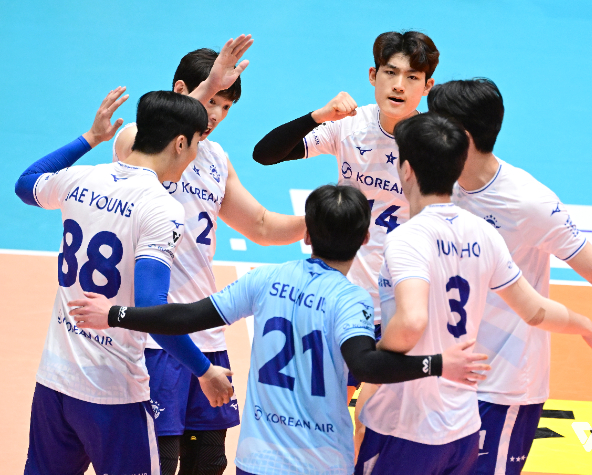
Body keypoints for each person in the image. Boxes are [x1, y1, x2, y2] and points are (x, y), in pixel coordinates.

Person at [69, 184, 489, 475]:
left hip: (259, 462)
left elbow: (185, 317)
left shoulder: (265, 278)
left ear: (307, 236)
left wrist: (115, 314)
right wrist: (438, 364)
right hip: (322, 464)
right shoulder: (352, 301)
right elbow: (366, 364)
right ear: (365, 238)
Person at [427, 78, 592, 474]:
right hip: (444, 372)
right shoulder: (437, 182)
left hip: (501, 385)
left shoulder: (528, 203)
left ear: (462, 135)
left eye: (434, 122)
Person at [355, 113, 592, 474]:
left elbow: (411, 322)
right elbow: (534, 311)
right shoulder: (484, 233)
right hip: (463, 430)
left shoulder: (406, 238)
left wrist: (372, 369)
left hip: (405, 426)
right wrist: (586, 325)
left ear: (406, 170)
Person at [112, 37, 307, 474]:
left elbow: (259, 225)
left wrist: (314, 223)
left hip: (205, 333)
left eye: (226, 105)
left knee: (209, 461)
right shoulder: (138, 142)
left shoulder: (215, 158)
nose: (216, 114)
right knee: (157, 462)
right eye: (213, 99)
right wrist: (206, 90)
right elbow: (143, 140)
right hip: (154, 338)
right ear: (182, 90)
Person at [15, 89, 234, 475]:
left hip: (54, 382)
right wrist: (204, 370)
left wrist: (90, 138)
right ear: (180, 143)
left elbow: (26, 183)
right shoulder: (161, 208)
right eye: (196, 144)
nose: (196, 156)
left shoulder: (81, 178)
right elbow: (152, 311)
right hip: (113, 393)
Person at [252, 29, 439, 441]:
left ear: (427, 87)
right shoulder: (351, 125)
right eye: (390, 72)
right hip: (341, 298)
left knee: (375, 430)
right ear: (373, 75)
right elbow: (264, 154)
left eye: (412, 77)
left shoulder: (436, 143)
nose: (399, 85)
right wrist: (317, 116)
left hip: (401, 305)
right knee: (318, 422)